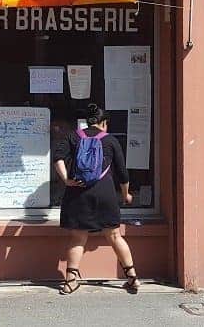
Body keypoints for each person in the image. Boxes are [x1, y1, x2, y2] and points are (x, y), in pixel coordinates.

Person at [53, 102, 140, 295]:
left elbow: (58, 157)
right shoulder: (110, 141)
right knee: (115, 236)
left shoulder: (73, 136)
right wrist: (126, 194)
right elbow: (122, 173)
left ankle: (70, 281)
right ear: (104, 122)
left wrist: (67, 180)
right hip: (105, 192)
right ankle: (132, 277)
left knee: (78, 237)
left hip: (79, 191)